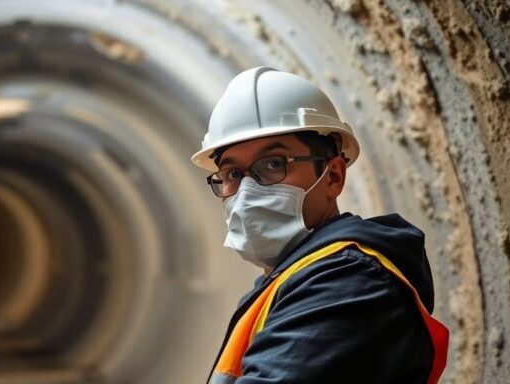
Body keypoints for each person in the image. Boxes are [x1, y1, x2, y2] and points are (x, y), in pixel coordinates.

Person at [191, 67, 449, 384]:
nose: (247, 191)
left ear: (333, 176)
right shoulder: (285, 282)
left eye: (273, 164)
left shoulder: (348, 280)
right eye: (232, 174)